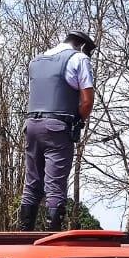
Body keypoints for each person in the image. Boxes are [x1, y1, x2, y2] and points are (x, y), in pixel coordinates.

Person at [19, 30, 96, 231]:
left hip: (31, 126)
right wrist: (78, 120)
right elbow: (87, 102)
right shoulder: (79, 58)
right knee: (55, 185)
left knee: (32, 182)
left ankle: (23, 233)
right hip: (57, 128)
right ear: (81, 46)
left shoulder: (35, 61)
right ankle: (52, 236)